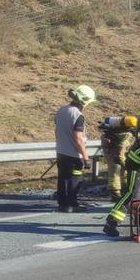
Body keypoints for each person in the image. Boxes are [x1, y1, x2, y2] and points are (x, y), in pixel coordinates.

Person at [54, 85, 96, 213]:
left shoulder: (61, 110)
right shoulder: (78, 115)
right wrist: (86, 158)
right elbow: (78, 138)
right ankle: (72, 204)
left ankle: (62, 204)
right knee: (74, 179)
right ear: (85, 101)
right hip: (73, 154)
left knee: (62, 178)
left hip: (61, 152)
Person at [100, 115, 138, 201]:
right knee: (117, 169)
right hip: (115, 153)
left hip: (109, 150)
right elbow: (121, 151)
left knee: (114, 170)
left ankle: (118, 192)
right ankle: (117, 193)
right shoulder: (128, 136)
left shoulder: (113, 132)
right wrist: (125, 164)